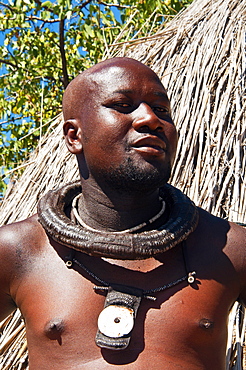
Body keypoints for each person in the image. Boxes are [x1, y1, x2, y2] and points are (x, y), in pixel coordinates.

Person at [0, 57, 245, 370]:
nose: (150, 118)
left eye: (162, 109)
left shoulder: (230, 248)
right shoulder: (18, 250)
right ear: (74, 136)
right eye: (122, 105)